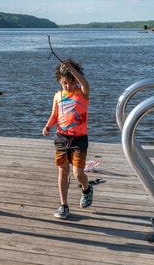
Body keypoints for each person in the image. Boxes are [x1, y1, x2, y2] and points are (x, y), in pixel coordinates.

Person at [42, 58, 93, 219]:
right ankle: (63, 204)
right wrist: (48, 126)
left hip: (79, 140)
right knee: (63, 171)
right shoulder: (58, 96)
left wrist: (72, 69)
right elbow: (54, 116)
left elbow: (84, 83)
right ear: (59, 81)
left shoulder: (82, 93)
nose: (68, 86)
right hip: (61, 138)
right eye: (64, 83)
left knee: (78, 173)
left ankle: (86, 189)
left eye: (71, 83)